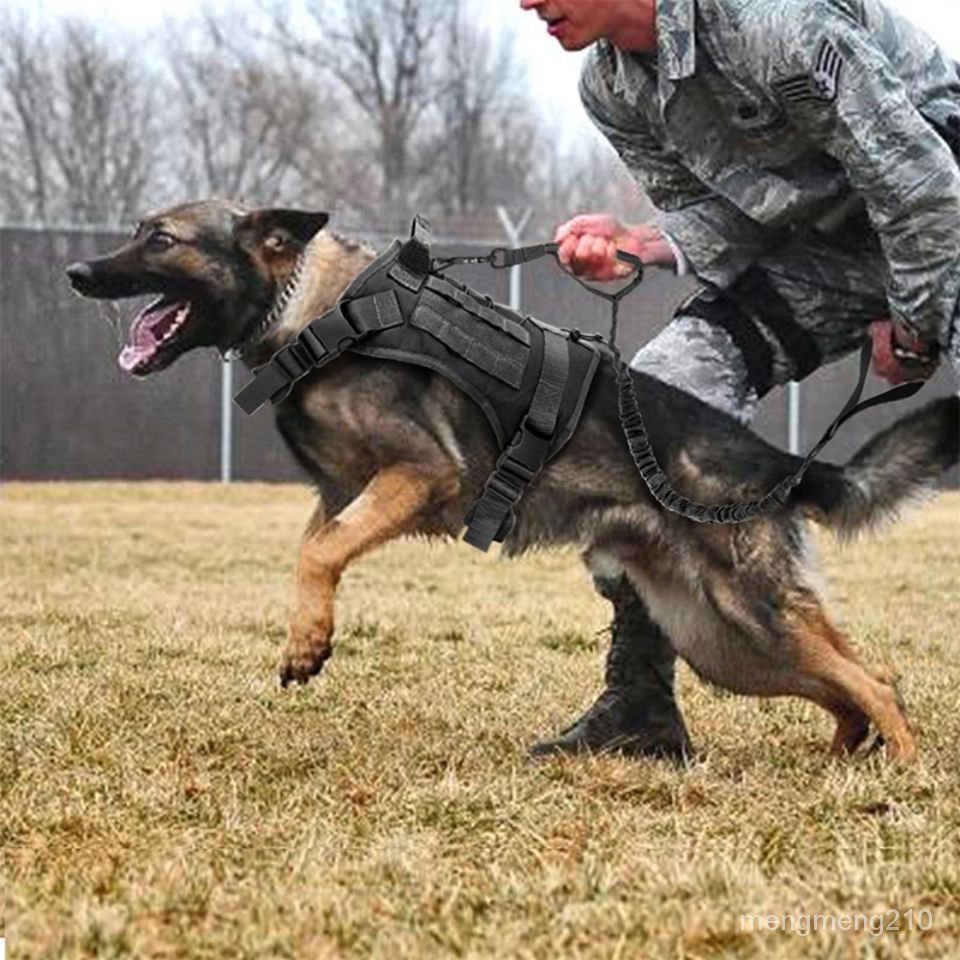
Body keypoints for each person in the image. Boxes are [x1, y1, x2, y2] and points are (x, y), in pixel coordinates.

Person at [519, 0, 960, 759]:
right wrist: (643, 242)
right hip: (828, 252)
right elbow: (731, 217)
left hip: (945, 209)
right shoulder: (610, 87)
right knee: (641, 418)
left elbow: (920, 182)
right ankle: (639, 707)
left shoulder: (770, 20)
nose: (523, 2)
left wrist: (915, 320)